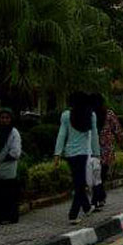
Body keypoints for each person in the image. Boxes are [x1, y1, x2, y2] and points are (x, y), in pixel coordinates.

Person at [54, 92, 100, 224]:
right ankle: (73, 215)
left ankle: (86, 208)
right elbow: (95, 135)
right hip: (84, 154)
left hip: (70, 154)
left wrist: (57, 154)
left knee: (78, 181)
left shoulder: (66, 115)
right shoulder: (90, 115)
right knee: (79, 184)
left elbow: (62, 135)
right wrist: (97, 153)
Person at [89, 93, 123, 211]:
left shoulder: (88, 115)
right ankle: (98, 198)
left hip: (91, 150)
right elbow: (117, 129)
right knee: (102, 175)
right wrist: (121, 142)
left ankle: (98, 197)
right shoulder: (108, 114)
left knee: (95, 175)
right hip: (106, 150)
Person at [0, 108, 22, 224]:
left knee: (9, 195)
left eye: (7, 118)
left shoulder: (14, 132)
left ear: (11, 119)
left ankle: (10, 217)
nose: (4, 120)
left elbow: (15, 151)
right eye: (2, 117)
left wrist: (2, 160)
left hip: (8, 169)